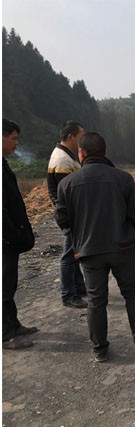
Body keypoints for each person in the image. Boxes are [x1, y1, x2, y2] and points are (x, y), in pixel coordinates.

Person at [55, 132, 135, 362]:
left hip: (90, 251)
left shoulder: (67, 184)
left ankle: (99, 349)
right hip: (124, 248)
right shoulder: (123, 178)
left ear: (81, 153)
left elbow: (62, 220)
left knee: (96, 300)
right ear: (105, 152)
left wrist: (78, 240)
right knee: (132, 294)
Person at [3, 119, 38, 350]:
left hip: (9, 239)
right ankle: (5, 335)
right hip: (4, 239)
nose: (16, 143)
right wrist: (11, 234)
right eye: (13, 138)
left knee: (9, 283)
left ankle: (13, 324)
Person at [47, 121, 87, 308]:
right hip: (70, 214)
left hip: (72, 212)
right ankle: (68, 294)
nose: (82, 140)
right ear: (71, 136)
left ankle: (79, 288)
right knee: (69, 255)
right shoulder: (62, 160)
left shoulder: (66, 156)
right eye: (80, 136)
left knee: (75, 253)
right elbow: (65, 193)